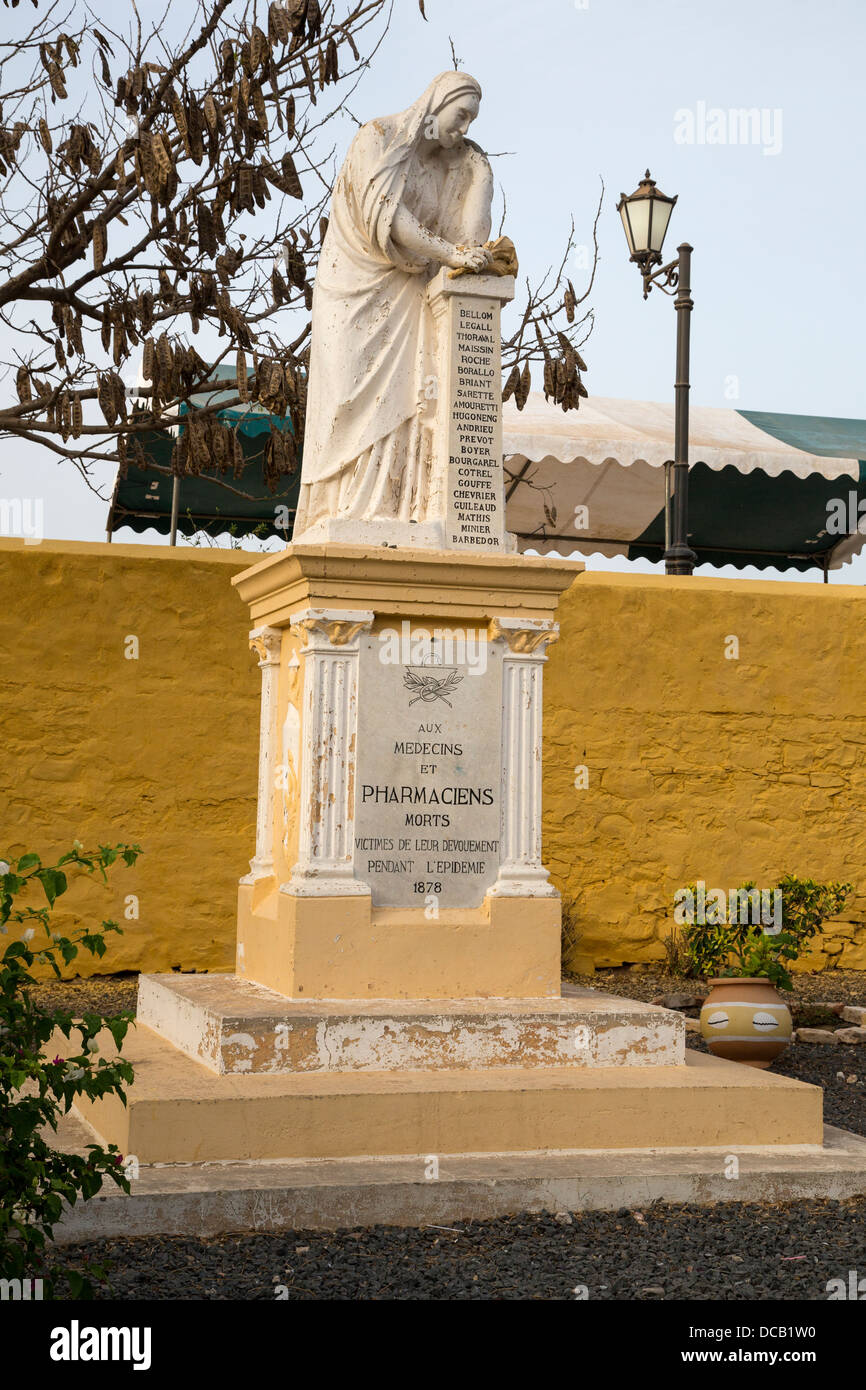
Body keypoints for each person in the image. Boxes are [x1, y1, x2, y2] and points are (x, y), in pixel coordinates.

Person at [292, 71, 494, 536]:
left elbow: (471, 243)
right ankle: (341, 509)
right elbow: (388, 215)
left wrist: (480, 175)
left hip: (410, 297)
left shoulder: (453, 169)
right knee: (348, 399)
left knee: (406, 396)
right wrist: (450, 253)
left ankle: (391, 513)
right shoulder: (376, 138)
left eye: (471, 121)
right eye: (460, 115)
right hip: (353, 294)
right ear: (437, 104)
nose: (464, 128)